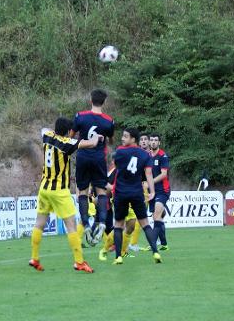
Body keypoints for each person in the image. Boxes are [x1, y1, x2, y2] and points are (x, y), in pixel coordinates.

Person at [29, 117, 101, 273]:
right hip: (59, 191)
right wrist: (97, 136)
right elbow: (92, 144)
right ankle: (79, 262)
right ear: (69, 132)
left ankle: (34, 257)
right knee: (71, 226)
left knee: (39, 223)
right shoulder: (67, 143)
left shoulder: (47, 135)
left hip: (44, 188)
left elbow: (44, 130)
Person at [71, 89, 115, 246]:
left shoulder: (80, 116)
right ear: (104, 102)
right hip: (98, 159)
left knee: (82, 192)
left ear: (91, 100)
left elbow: (70, 137)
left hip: (83, 157)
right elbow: (110, 141)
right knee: (101, 191)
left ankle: (86, 224)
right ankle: (102, 222)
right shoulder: (108, 121)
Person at [110, 129, 161, 265]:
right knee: (145, 223)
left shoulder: (119, 152)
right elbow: (149, 174)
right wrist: (152, 191)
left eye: (126, 136)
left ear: (133, 139)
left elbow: (116, 166)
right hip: (137, 192)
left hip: (121, 192)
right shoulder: (145, 155)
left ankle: (118, 257)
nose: (122, 138)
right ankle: (155, 252)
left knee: (119, 225)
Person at [128, 132, 151, 252]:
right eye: (141, 139)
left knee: (142, 216)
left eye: (145, 139)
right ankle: (132, 243)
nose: (143, 141)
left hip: (147, 188)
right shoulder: (136, 154)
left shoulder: (150, 155)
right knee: (139, 216)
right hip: (138, 187)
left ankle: (133, 242)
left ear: (148, 141)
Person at [149, 134, 171, 250]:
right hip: (152, 191)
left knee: (157, 214)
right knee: (157, 218)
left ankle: (152, 242)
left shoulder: (163, 156)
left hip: (163, 191)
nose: (153, 142)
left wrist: (150, 181)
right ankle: (164, 244)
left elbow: (164, 174)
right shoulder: (147, 156)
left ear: (159, 143)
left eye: (155, 140)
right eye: (151, 140)